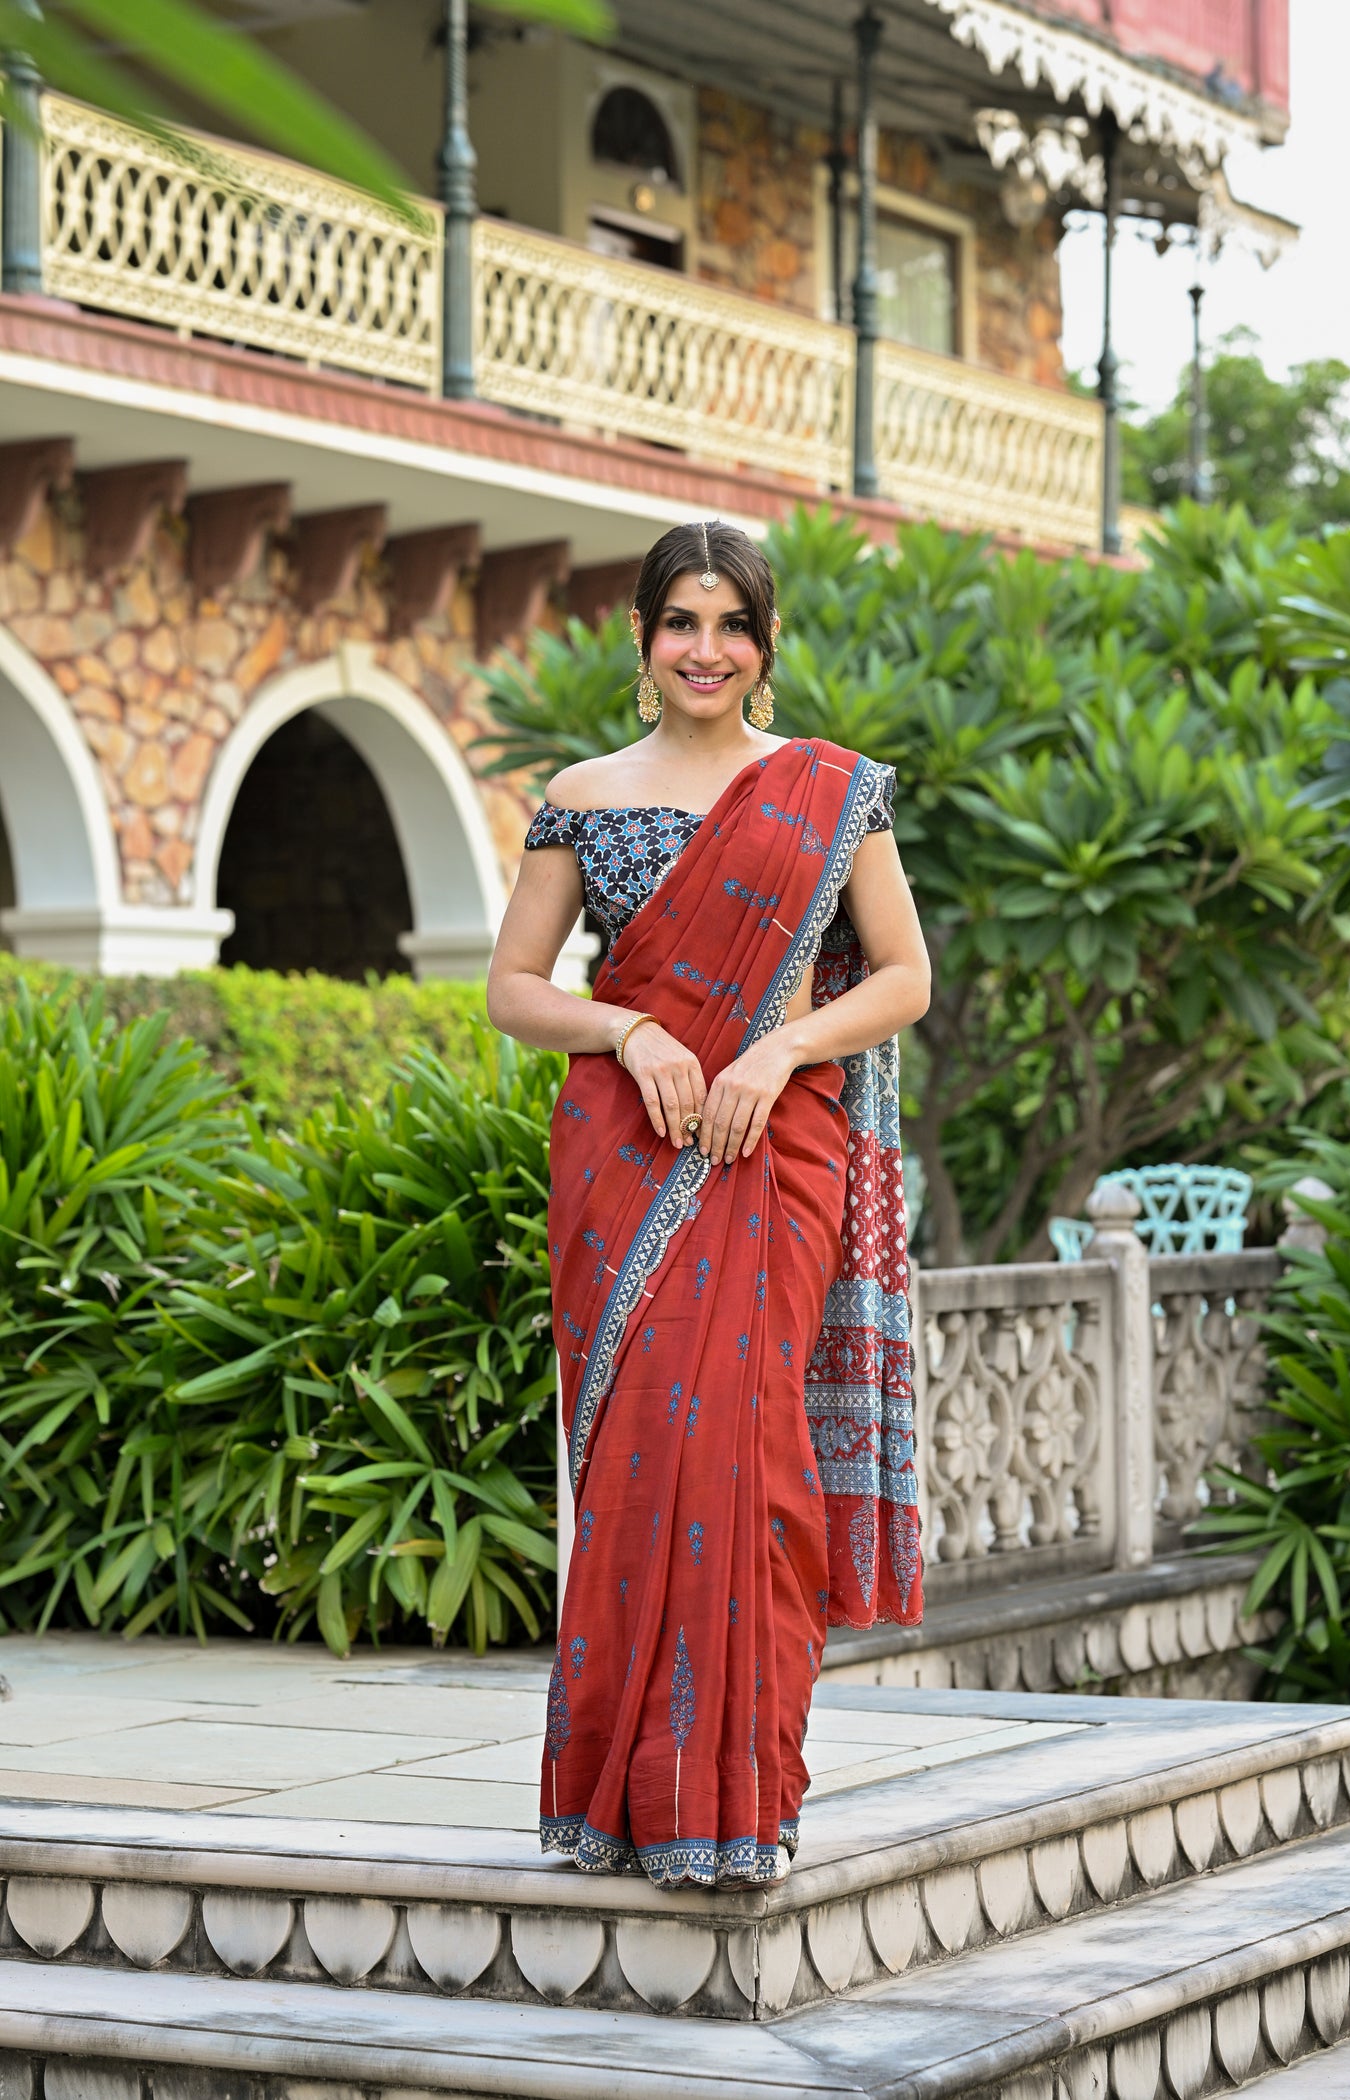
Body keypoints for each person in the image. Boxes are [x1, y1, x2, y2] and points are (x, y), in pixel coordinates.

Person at [487, 519, 930, 1889]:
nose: (706, 649)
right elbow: (514, 989)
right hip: (626, 1155)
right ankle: (621, 1798)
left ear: (765, 643)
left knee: (749, 1457)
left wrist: (779, 1050)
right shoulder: (585, 795)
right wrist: (626, 1031)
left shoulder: (829, 794)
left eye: (732, 624)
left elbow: (903, 977)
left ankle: (736, 1800)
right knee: (638, 1471)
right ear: (642, 637)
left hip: (773, 1149)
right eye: (681, 622)